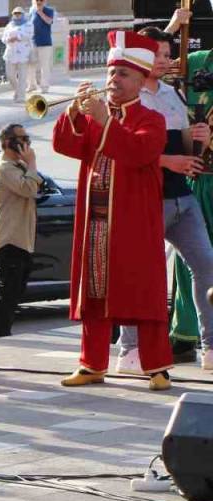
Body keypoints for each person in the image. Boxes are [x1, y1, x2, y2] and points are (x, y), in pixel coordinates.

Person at [53, 31, 172, 391]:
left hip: (134, 221)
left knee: (144, 290)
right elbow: (64, 146)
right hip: (95, 221)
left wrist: (105, 121)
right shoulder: (95, 116)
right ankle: (91, 363)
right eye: (110, 74)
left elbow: (137, 153)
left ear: (140, 80)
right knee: (93, 290)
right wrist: (72, 113)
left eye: (122, 75)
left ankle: (158, 367)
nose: (112, 81)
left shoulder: (152, 119)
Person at [116, 27, 213, 374]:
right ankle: (129, 347)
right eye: (158, 54)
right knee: (140, 273)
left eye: (168, 54)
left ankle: (210, 347)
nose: (165, 60)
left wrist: (196, 138)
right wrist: (167, 161)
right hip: (145, 196)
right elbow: (121, 150)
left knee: (207, 266)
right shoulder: (127, 94)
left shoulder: (174, 93)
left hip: (182, 196)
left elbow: (183, 146)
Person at [170, 8, 213, 371]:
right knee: (191, 263)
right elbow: (154, 68)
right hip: (196, 177)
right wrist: (174, 27)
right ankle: (185, 334)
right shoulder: (197, 60)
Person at [0, 124, 44, 338]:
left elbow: (37, 185)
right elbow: (28, 188)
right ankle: (1, 335)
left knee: (16, 289)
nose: (27, 143)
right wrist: (32, 163)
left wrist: (29, 166)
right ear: (8, 142)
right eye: (22, 139)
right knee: (7, 291)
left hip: (22, 238)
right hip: (9, 238)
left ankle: (5, 331)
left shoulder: (17, 165)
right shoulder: (4, 167)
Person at [3, 8, 34, 105]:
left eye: (19, 13)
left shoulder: (28, 24)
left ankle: (21, 96)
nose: (17, 15)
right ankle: (18, 91)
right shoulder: (9, 25)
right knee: (10, 75)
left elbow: (29, 35)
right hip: (10, 54)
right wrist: (9, 39)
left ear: (22, 14)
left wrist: (18, 37)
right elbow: (3, 38)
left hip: (23, 54)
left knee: (22, 77)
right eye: (15, 13)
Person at [29, 0, 56, 94]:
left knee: (44, 66)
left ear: (44, 1)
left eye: (41, 0)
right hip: (33, 42)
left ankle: (44, 87)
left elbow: (49, 21)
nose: (38, 2)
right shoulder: (31, 11)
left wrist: (40, 12)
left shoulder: (49, 10)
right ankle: (32, 85)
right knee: (31, 65)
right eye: (36, 0)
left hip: (45, 43)